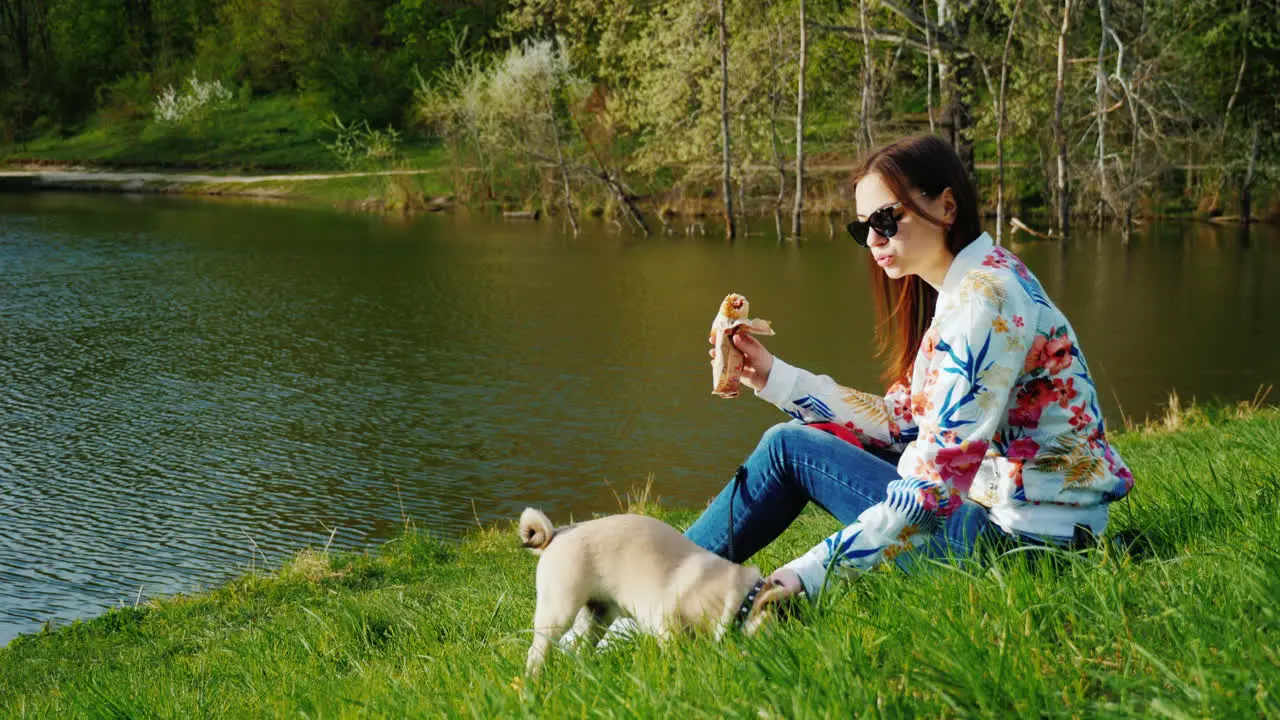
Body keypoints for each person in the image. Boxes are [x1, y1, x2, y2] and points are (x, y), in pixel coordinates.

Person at [685, 134, 1135, 602]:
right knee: (793, 445)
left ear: (945, 206)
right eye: (863, 229)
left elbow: (933, 488)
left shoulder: (986, 300)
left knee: (788, 449)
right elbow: (903, 422)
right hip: (1038, 536)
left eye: (887, 219)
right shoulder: (975, 285)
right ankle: (655, 590)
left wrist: (800, 578)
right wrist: (772, 375)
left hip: (1026, 552)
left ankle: (652, 593)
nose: (875, 240)